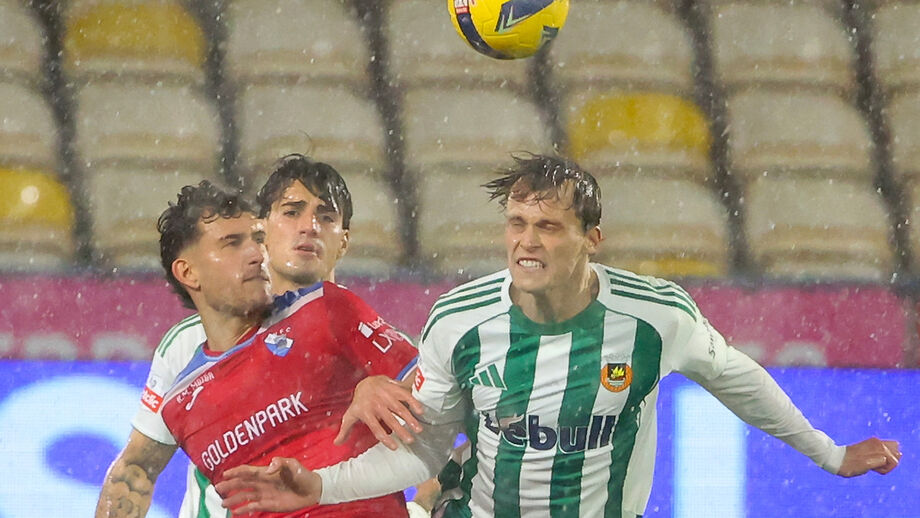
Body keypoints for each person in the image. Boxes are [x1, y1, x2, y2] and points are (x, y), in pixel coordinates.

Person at [214, 154, 902, 517]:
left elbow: (739, 380)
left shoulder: (657, 319)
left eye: (548, 227)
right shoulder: (458, 322)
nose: (527, 242)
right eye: (517, 224)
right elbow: (423, 450)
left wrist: (829, 453)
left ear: (591, 239)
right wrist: (322, 487)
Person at [95, 157, 423, 517]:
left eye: (326, 217)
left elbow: (442, 422)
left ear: (344, 241)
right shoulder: (184, 348)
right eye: (292, 212)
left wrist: (421, 508)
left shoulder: (346, 318)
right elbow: (137, 468)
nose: (309, 227)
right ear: (268, 224)